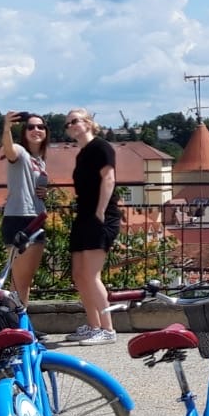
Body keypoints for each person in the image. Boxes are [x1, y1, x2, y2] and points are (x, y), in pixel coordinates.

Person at [65, 107, 120, 344]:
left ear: (88, 123)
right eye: (68, 124)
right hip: (84, 216)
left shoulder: (101, 147)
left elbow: (109, 178)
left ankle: (108, 329)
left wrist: (100, 210)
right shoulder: (82, 153)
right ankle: (93, 324)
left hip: (99, 216)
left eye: (75, 121)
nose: (71, 126)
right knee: (79, 274)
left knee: (91, 274)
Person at [0, 111, 50, 302]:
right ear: (24, 131)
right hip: (19, 218)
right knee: (20, 280)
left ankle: (21, 326)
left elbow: (34, 186)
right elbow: (9, 151)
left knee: (25, 280)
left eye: (40, 127)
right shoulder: (21, 152)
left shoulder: (40, 160)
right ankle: (18, 327)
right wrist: (6, 128)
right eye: (30, 127)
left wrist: (44, 193)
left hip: (36, 219)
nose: (36, 130)